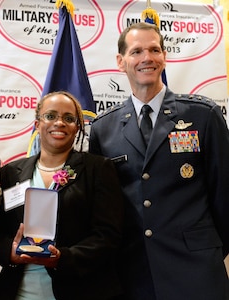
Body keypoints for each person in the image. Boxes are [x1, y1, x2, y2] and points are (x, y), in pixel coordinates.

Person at [89, 22, 229, 300]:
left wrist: (208, 248)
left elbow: (224, 194)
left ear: (164, 56)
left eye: (154, 50)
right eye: (137, 51)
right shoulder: (104, 128)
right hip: (135, 274)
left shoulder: (203, 115)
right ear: (121, 61)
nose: (147, 58)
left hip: (197, 271)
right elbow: (104, 206)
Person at [0, 91, 124, 300]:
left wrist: (63, 258)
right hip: (18, 292)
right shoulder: (11, 173)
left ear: (77, 128)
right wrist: (9, 253)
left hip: (82, 290)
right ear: (38, 124)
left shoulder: (98, 169)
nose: (60, 123)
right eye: (51, 116)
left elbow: (108, 236)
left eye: (68, 118)